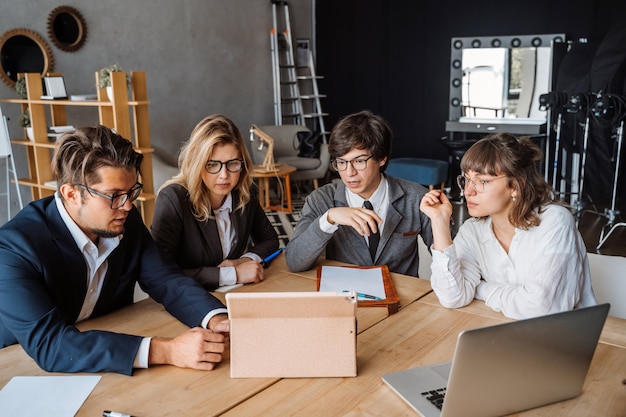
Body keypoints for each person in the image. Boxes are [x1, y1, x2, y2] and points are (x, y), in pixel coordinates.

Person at [0, 125, 230, 375]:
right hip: (18, 365)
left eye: (131, 192)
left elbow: (166, 279)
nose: (128, 205)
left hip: (106, 352)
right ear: (71, 194)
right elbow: (51, 345)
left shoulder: (123, 221)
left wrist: (216, 319)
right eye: (114, 195)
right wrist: (167, 351)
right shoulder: (14, 248)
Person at [420, 132, 597, 319]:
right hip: (503, 333)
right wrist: (439, 222)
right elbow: (452, 297)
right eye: (466, 179)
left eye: (483, 181)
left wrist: (481, 288)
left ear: (515, 186)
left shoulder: (556, 222)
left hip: (565, 339)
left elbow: (542, 308)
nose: (468, 191)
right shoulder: (472, 230)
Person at [286, 110, 434, 276]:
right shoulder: (321, 199)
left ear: (382, 158)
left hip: (404, 299)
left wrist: (441, 221)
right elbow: (294, 261)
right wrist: (328, 219)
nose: (349, 172)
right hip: (344, 297)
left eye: (359, 161)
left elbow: (455, 263)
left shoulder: (417, 198)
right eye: (341, 162)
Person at [151, 115, 279, 290]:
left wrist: (243, 260)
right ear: (197, 163)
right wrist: (232, 274)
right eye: (212, 164)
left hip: (235, 293)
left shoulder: (243, 192)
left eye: (232, 163)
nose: (224, 175)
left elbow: (270, 240)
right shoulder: (173, 199)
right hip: (188, 300)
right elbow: (160, 273)